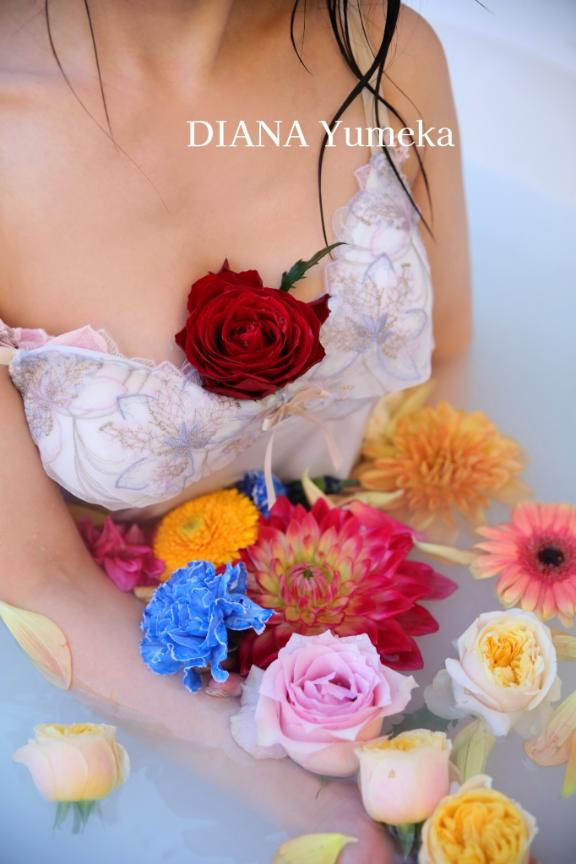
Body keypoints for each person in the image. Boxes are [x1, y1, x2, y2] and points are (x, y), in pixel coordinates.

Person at [0, 1, 471, 859]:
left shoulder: (388, 47)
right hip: (141, 648)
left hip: (399, 557)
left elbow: (449, 356)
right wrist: (305, 796)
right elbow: (39, 579)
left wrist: (451, 644)